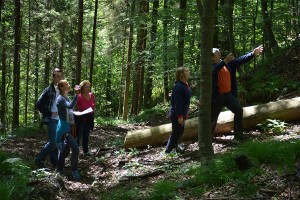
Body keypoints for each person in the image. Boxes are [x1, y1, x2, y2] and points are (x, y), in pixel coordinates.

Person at [211, 45, 263, 140]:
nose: (211, 57)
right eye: (210, 55)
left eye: (213, 54)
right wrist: (225, 61)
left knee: (239, 110)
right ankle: (207, 139)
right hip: (217, 97)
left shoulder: (228, 64)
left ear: (219, 55)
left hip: (228, 95)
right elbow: (215, 70)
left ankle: (238, 135)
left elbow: (240, 60)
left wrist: (252, 54)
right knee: (212, 119)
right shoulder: (211, 67)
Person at [35, 68, 63, 168]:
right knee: (53, 142)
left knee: (57, 140)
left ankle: (54, 161)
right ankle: (38, 160)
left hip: (60, 119)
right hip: (51, 119)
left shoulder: (62, 88)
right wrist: (49, 113)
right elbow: (39, 103)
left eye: (61, 76)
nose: (59, 78)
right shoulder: (49, 89)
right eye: (57, 76)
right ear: (53, 76)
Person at [55, 80, 80, 180]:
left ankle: (59, 169)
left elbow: (69, 111)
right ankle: (74, 171)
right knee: (76, 149)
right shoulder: (60, 99)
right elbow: (70, 106)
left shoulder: (65, 97)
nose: (69, 85)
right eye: (66, 84)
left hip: (68, 127)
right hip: (63, 129)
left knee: (64, 151)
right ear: (61, 88)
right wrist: (77, 95)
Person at [165, 66, 192, 153]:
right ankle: (168, 151)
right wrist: (180, 116)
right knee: (176, 132)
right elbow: (178, 102)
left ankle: (175, 148)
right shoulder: (178, 87)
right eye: (187, 71)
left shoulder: (185, 85)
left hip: (182, 113)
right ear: (182, 74)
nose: (189, 72)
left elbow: (186, 99)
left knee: (180, 131)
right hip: (176, 114)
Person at [75, 80, 95, 156]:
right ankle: (75, 152)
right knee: (78, 136)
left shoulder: (92, 95)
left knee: (86, 136)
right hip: (81, 119)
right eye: (86, 87)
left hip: (89, 119)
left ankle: (85, 151)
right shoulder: (79, 96)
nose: (88, 88)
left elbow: (94, 105)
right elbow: (74, 105)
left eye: (89, 87)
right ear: (82, 88)